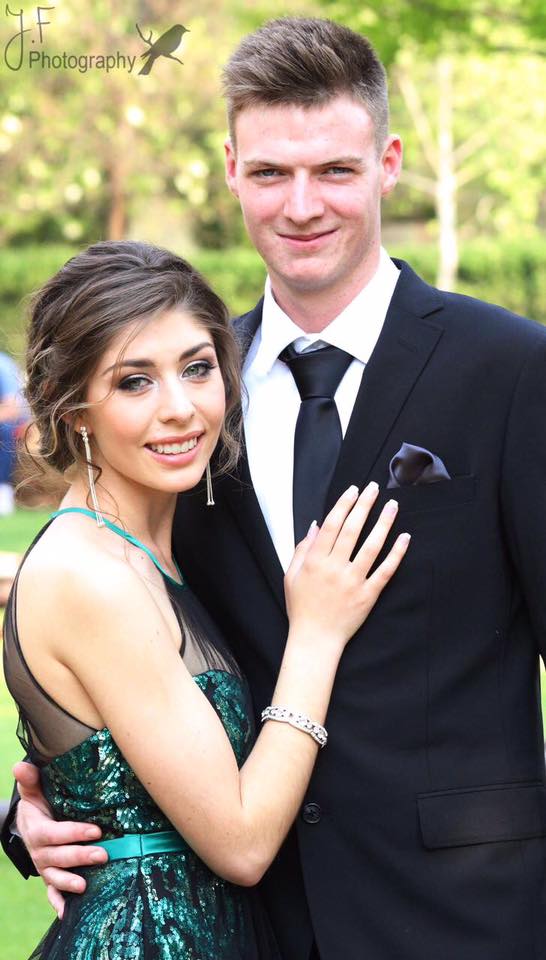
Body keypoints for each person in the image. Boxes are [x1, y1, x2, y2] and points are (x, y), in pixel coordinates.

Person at [4, 14, 546, 960]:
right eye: (269, 172)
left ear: (387, 164)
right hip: (255, 922)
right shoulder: (192, 404)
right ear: (230, 170)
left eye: (333, 170)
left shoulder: (510, 368)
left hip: (467, 920)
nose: (301, 206)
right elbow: (122, 647)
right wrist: (29, 817)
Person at [1, 239, 408, 959]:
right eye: (135, 382)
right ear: (75, 409)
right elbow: (242, 843)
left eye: (197, 368)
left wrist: (27, 813)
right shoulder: (91, 574)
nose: (181, 409)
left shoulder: (162, 542)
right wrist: (317, 634)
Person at [0, 349, 28, 515]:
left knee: (5, 428)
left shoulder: (2, 365)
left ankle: (2, 489)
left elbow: (13, 408)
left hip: (13, 424)